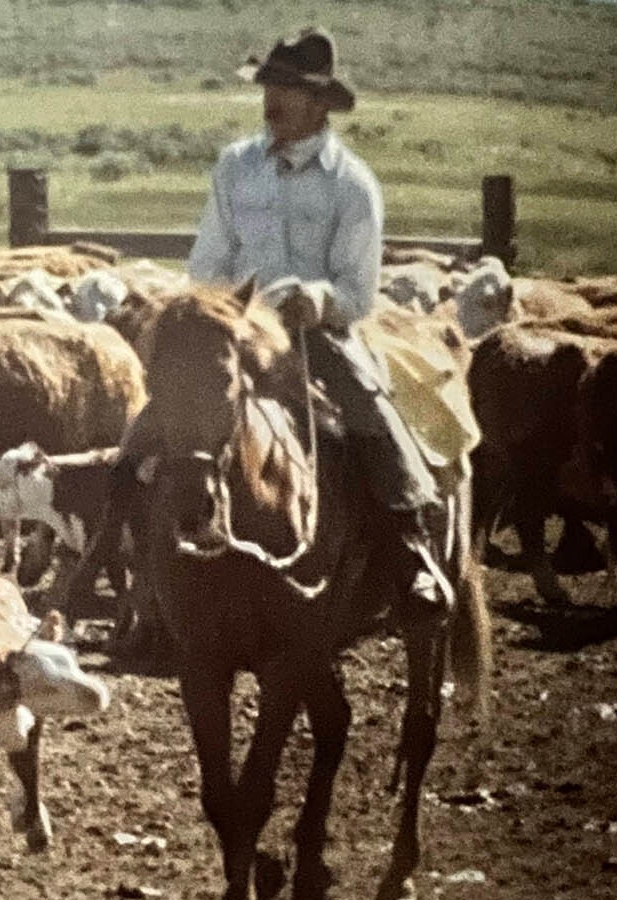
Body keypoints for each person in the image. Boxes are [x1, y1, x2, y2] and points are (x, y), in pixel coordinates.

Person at [78, 27, 453, 630]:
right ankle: (114, 559)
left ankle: (411, 549)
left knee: (368, 412)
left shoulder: (352, 184)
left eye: (288, 89)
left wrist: (318, 296)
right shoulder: (236, 166)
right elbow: (208, 263)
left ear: (320, 102)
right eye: (269, 86)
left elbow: (358, 292)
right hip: (235, 331)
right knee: (150, 428)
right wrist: (226, 312)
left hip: (315, 334)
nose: (272, 100)